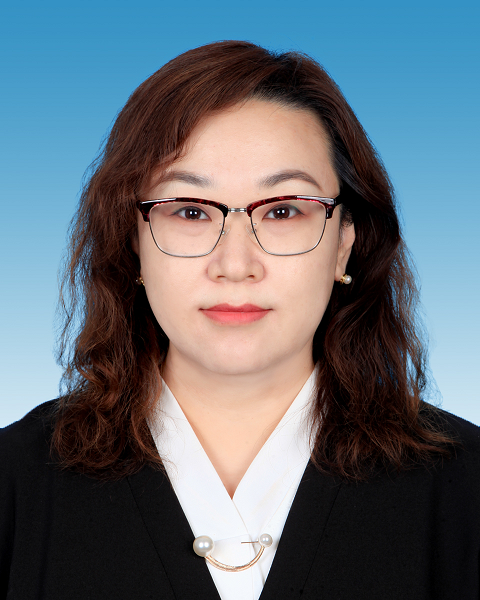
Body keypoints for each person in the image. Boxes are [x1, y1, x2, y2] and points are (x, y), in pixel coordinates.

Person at [1, 40, 479, 600]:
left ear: (344, 243)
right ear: (133, 243)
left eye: (283, 210)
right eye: (190, 211)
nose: (235, 264)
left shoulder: (464, 486)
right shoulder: (15, 482)